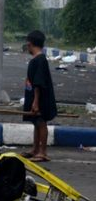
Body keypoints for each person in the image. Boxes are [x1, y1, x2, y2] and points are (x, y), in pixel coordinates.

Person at [22, 30, 57, 162]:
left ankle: (42, 152)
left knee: (41, 123)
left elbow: (38, 83)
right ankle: (35, 149)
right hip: (34, 98)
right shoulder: (37, 60)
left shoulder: (40, 60)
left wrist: (35, 102)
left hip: (40, 98)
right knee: (36, 123)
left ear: (30, 44)